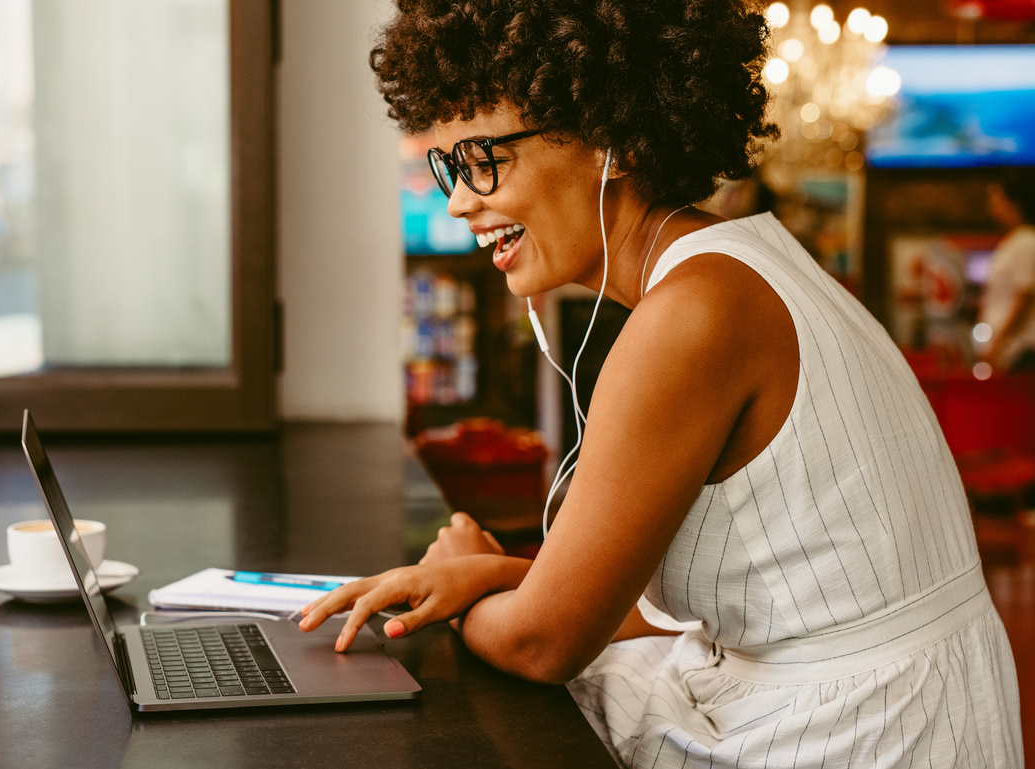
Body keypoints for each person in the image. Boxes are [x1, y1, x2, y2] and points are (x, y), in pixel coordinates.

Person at [297, 1, 1022, 766]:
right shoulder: (746, 260)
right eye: (447, 166)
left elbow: (545, 643)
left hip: (862, 733)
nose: (458, 200)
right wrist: (495, 575)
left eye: (482, 158)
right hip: (904, 703)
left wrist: (458, 593)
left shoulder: (690, 316)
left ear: (605, 135)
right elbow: (733, 594)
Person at [980, 173, 1035, 373]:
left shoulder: (1026, 241)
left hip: (1021, 351)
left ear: (1013, 202)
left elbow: (1025, 296)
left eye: (996, 198)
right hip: (1009, 351)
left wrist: (999, 342)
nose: (992, 206)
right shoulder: (1012, 242)